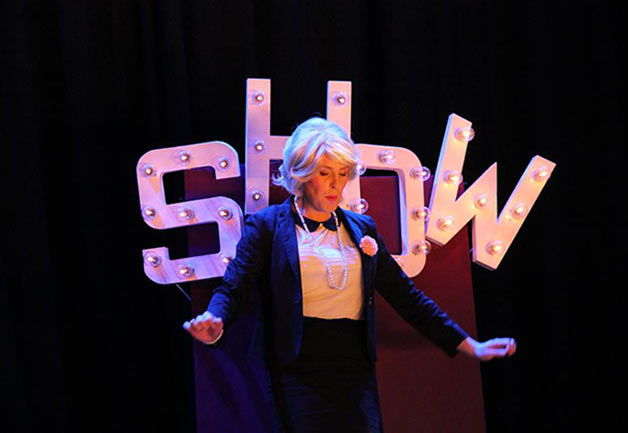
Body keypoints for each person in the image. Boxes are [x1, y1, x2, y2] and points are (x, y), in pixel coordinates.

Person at [183, 117, 516, 433]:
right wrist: (215, 319)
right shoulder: (267, 226)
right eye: (324, 172)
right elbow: (234, 287)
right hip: (295, 371)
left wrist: (471, 346)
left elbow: (408, 298)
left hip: (355, 372)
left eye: (343, 173)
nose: (335, 184)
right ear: (301, 174)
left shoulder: (361, 228)